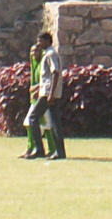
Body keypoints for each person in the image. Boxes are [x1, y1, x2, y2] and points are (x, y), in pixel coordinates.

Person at [31, 32, 66, 160]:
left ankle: (39, 150)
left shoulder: (50, 54)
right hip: (48, 92)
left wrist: (50, 94)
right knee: (55, 122)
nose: (39, 44)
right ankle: (60, 152)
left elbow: (55, 73)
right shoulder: (50, 54)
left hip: (48, 94)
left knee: (33, 118)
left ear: (47, 41)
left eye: (40, 41)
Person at [18, 39, 46, 159]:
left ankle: (48, 148)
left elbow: (46, 80)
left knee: (45, 124)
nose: (34, 54)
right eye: (32, 51)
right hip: (35, 99)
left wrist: (37, 89)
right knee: (29, 123)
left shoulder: (43, 64)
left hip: (43, 97)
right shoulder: (34, 65)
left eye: (37, 51)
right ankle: (31, 147)